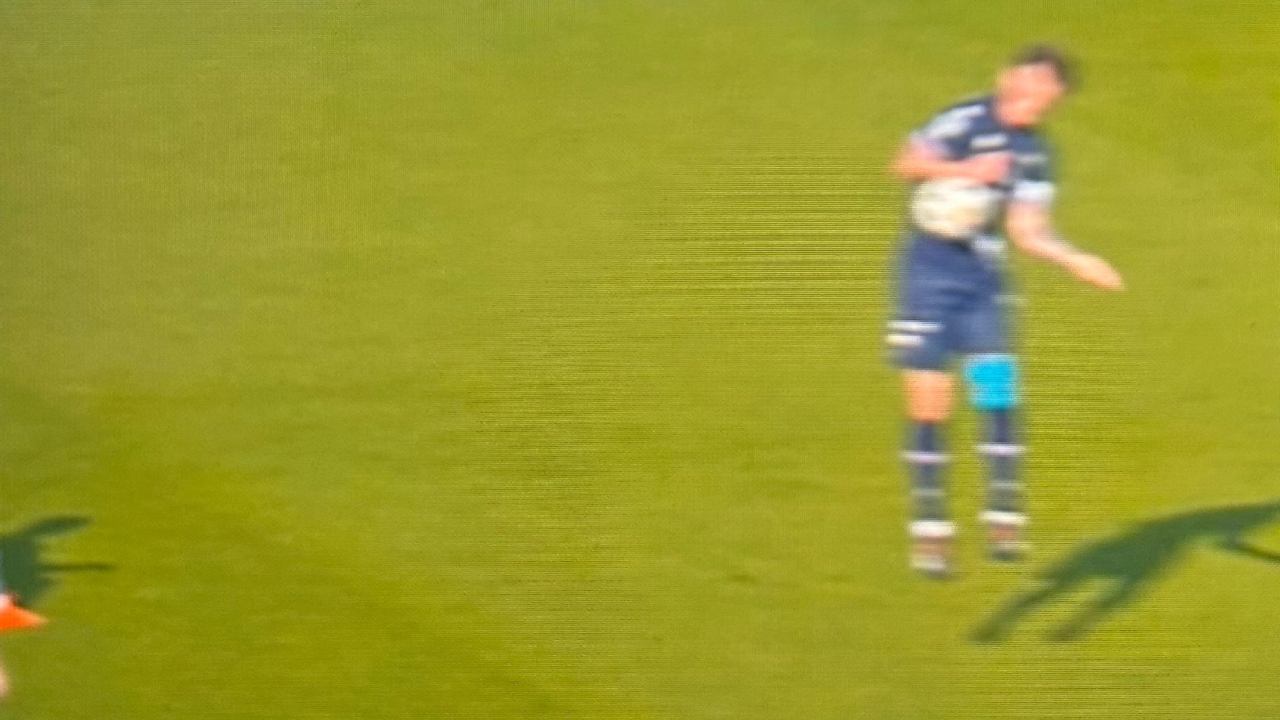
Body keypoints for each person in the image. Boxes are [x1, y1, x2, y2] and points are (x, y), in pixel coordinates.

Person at [887, 45, 1125, 577]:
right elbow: (904, 164)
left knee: (996, 390)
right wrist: (963, 170)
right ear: (1009, 78)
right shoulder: (963, 120)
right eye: (1030, 89)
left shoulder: (1034, 154)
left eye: (1046, 98)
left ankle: (1003, 515)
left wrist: (1075, 259)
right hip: (928, 273)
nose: (1033, 103)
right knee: (930, 403)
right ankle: (931, 529)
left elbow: (1027, 230)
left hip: (982, 277)